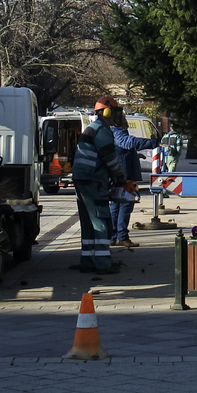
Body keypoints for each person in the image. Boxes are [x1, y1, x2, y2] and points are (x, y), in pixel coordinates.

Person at [71, 103, 132, 273]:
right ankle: (103, 263)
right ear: (107, 112)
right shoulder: (102, 130)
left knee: (87, 222)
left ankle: (88, 261)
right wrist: (119, 174)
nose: (119, 117)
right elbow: (109, 155)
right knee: (101, 220)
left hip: (81, 179)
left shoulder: (92, 127)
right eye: (117, 112)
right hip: (93, 180)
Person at [104, 101, 147, 247]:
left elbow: (122, 151)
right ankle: (121, 236)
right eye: (123, 118)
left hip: (118, 175)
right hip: (125, 176)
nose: (126, 120)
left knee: (116, 206)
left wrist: (135, 155)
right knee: (125, 205)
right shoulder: (119, 134)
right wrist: (153, 142)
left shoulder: (112, 134)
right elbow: (128, 144)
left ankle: (113, 236)